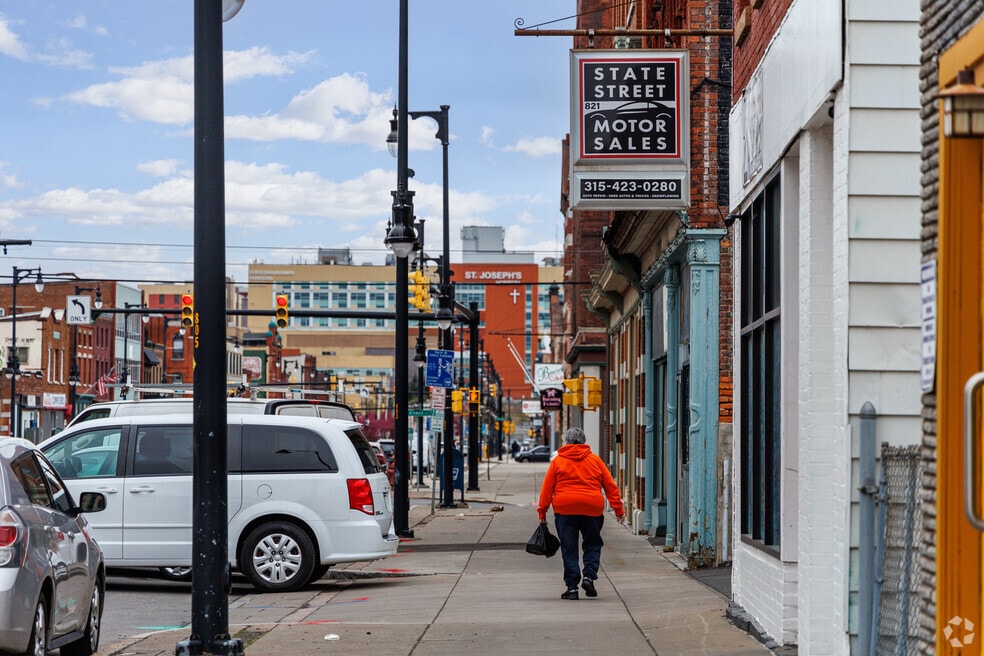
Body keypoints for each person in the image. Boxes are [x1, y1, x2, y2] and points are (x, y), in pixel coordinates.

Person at [537, 427, 625, 600]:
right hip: (591, 508)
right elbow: (610, 486)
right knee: (592, 544)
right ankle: (589, 576)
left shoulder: (558, 462)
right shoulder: (595, 460)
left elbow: (547, 489)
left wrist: (542, 512)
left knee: (569, 548)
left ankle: (572, 588)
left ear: (567, 442)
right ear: (583, 441)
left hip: (565, 509)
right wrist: (618, 510)